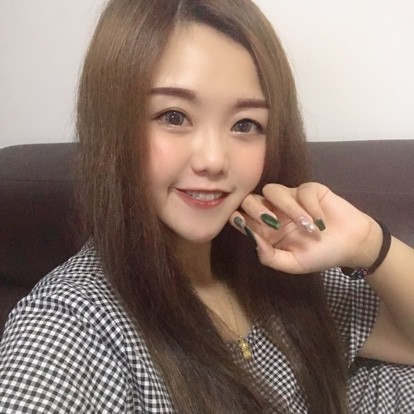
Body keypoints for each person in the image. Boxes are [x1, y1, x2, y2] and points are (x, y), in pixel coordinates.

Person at [0, 0, 413, 412]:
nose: (214, 160)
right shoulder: (72, 323)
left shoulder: (277, 268)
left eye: (245, 124)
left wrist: (366, 242)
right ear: (113, 125)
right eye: (174, 116)